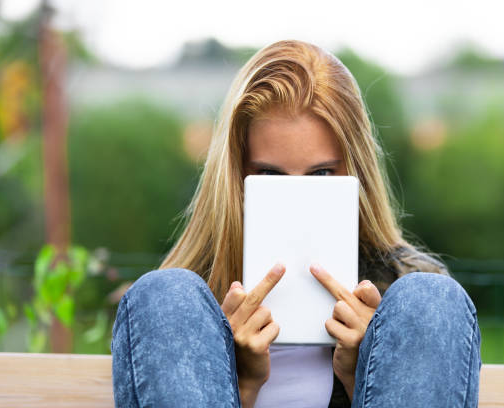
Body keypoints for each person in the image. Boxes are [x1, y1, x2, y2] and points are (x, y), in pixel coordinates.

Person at [111, 39, 482, 408]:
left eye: (321, 174)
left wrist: (363, 373)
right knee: (162, 296)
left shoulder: (407, 291)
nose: (297, 198)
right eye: (270, 175)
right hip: (188, 309)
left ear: (356, 173)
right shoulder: (185, 306)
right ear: (235, 178)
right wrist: (241, 384)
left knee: (433, 300)